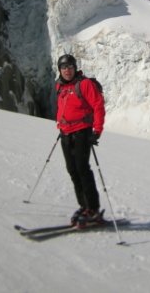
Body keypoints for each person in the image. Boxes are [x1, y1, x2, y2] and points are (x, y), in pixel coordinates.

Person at [55, 54, 105, 227]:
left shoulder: (84, 84)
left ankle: (93, 209)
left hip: (82, 132)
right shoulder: (60, 87)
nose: (67, 70)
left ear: (75, 68)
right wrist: (61, 125)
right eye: (63, 68)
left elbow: (98, 105)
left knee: (83, 169)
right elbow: (63, 107)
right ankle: (84, 206)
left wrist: (97, 130)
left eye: (70, 67)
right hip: (65, 133)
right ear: (60, 70)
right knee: (72, 170)